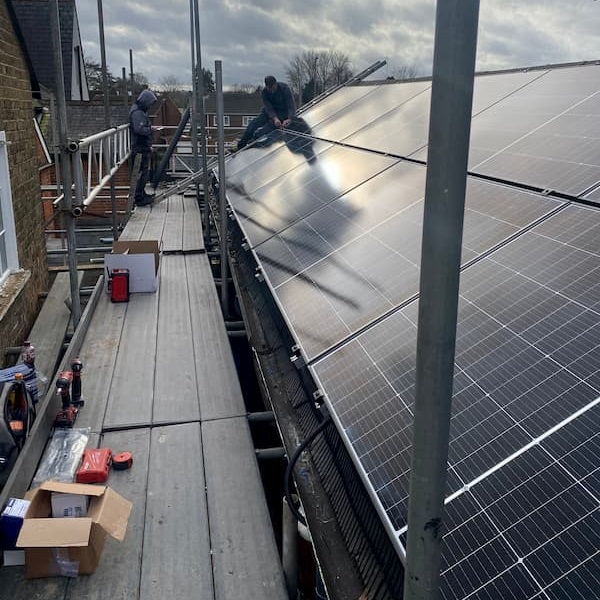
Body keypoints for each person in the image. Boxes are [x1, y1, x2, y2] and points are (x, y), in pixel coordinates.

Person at [237, 76, 296, 150]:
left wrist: (289, 118)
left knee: (265, 131)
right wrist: (275, 118)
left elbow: (291, 105)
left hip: (283, 112)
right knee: (253, 124)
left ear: (276, 84)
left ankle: (253, 143)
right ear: (266, 86)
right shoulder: (264, 92)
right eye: (269, 89)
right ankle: (240, 146)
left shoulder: (284, 89)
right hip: (269, 112)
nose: (271, 91)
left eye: (273, 89)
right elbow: (269, 108)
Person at [129, 89, 158, 206]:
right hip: (139, 148)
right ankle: (139, 197)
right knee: (141, 174)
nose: (150, 106)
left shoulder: (138, 111)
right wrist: (150, 129)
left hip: (142, 147)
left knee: (143, 173)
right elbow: (139, 129)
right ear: (145, 101)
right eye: (150, 104)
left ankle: (142, 194)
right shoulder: (137, 113)